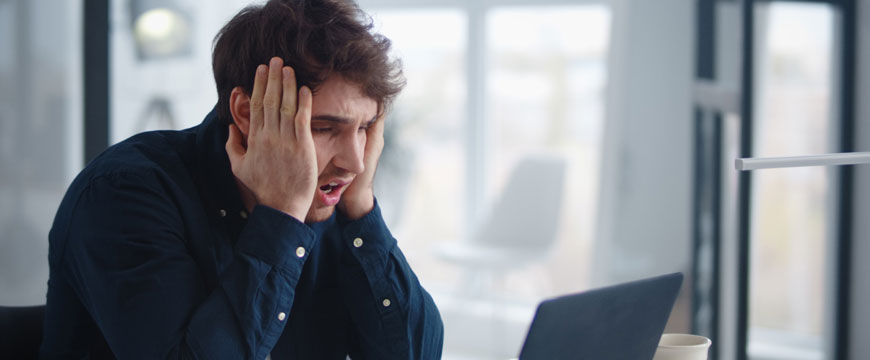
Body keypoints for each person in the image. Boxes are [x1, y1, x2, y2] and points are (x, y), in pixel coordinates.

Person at [40, 0, 444, 358]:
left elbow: (413, 353)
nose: (355, 161)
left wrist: (362, 212)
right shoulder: (123, 194)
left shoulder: (335, 199)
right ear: (248, 114)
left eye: (364, 128)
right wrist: (281, 217)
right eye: (324, 128)